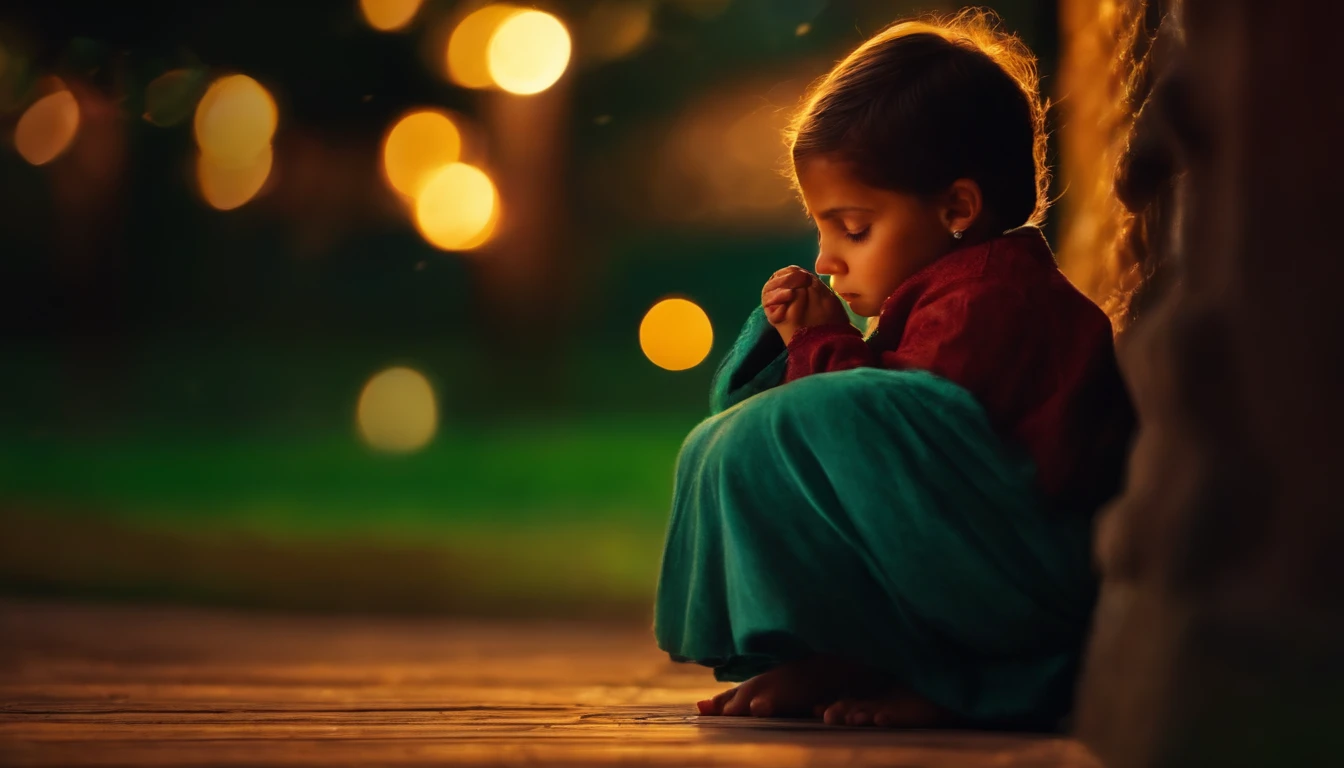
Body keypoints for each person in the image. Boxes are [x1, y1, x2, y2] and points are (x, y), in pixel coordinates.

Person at [653, 10, 1136, 730]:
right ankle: (849, 653)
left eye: (853, 228)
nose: (827, 258)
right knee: (729, 436)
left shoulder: (995, 297)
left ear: (957, 208)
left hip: (1024, 592)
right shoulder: (939, 293)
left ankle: (947, 673)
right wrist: (803, 345)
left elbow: (908, 444)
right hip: (979, 560)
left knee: (807, 421)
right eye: (821, 229)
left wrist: (823, 347)